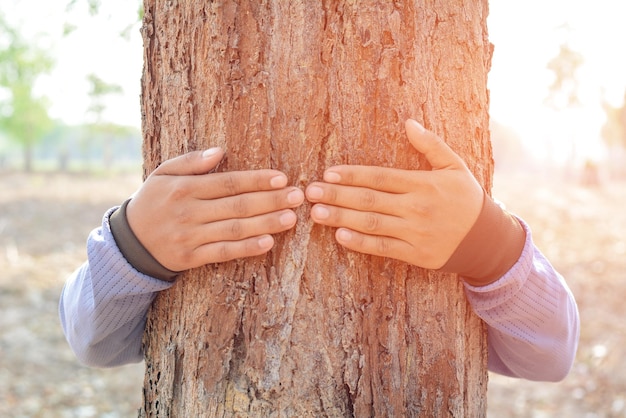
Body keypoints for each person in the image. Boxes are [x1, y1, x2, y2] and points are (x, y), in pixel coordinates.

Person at [59, 119, 579, 382]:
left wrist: (490, 245)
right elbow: (93, 341)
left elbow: (550, 356)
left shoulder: (447, 217)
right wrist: (133, 245)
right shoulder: (166, 223)